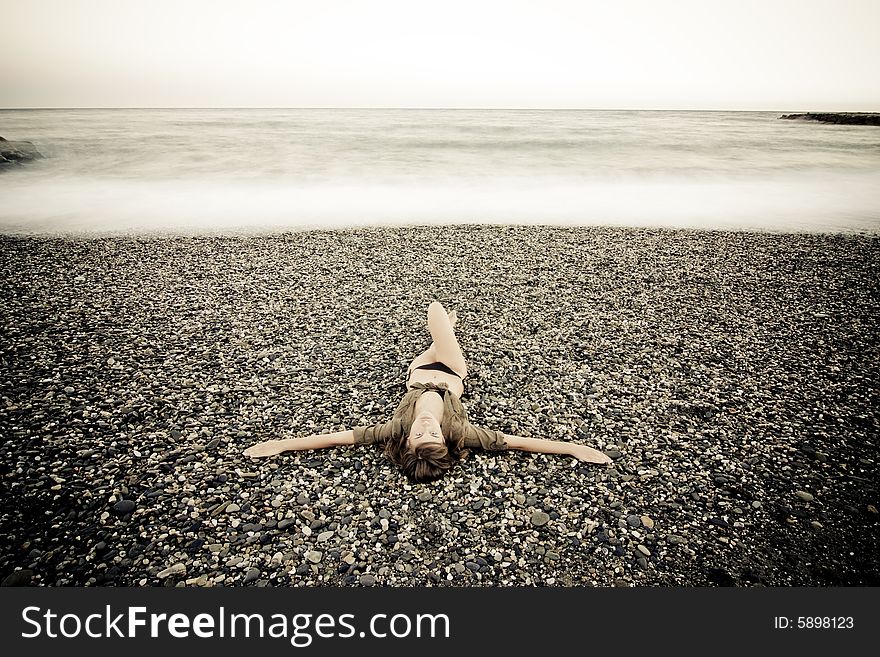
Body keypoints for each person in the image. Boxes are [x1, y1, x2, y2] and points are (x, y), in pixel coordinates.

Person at [244, 301, 611, 482]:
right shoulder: (461, 434)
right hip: (453, 371)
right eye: (430, 433)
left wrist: (284, 445)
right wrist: (573, 449)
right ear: (444, 438)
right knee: (437, 314)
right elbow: (520, 443)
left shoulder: (393, 432)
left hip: (417, 372)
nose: (423, 428)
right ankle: (446, 331)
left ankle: (444, 332)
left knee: (437, 326)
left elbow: (337, 439)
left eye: (417, 435)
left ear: (405, 444)